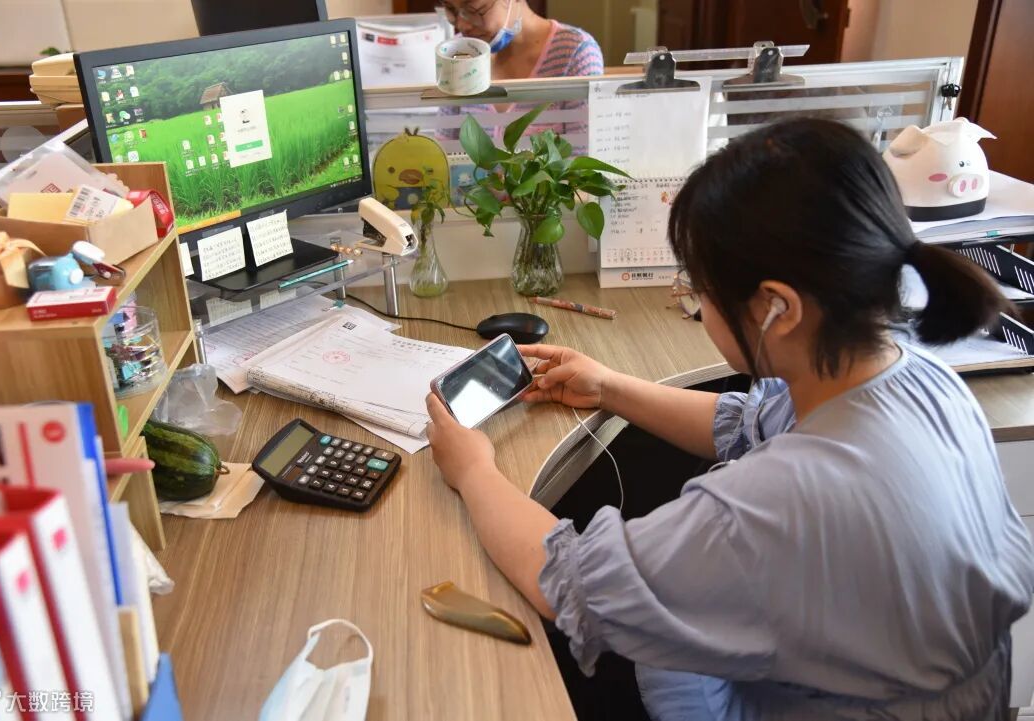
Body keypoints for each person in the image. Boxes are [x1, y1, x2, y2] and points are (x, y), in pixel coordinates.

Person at [424, 117, 1034, 720]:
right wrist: (609, 386)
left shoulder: (780, 503)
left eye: (699, 289)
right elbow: (750, 422)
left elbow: (565, 585)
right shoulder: (915, 377)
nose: (696, 307)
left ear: (777, 307)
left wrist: (473, 470)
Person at [436, 0, 603, 140]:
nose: (462, 25)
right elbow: (443, 149)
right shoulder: (458, 54)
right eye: (451, 9)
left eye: (475, 10)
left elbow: (584, 161)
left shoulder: (575, 53)